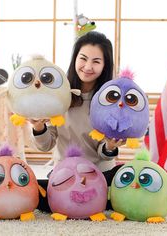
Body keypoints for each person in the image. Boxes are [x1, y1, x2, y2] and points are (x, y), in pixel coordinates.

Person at [29, 31, 126, 211]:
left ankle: (94, 200)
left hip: (99, 173)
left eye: (96, 61)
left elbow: (104, 153)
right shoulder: (59, 94)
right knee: (30, 191)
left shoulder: (110, 100)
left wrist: (111, 146)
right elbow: (45, 145)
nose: (88, 66)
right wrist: (39, 127)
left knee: (128, 186)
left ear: (105, 66)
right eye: (83, 58)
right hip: (65, 173)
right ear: (75, 59)